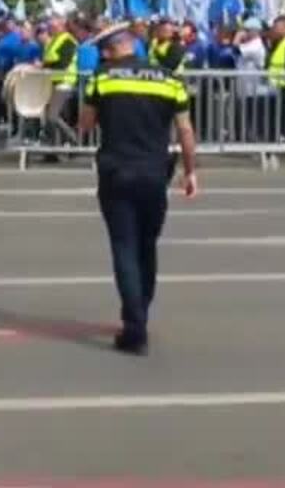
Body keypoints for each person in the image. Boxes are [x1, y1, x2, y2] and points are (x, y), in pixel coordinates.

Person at [76, 22, 198, 355]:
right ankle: (141, 309)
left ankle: (135, 326)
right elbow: (185, 131)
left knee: (124, 247)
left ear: (116, 47)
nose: (101, 54)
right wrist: (191, 172)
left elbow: (85, 126)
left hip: (117, 170)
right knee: (148, 245)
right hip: (155, 172)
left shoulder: (102, 78)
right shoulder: (170, 80)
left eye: (104, 49)